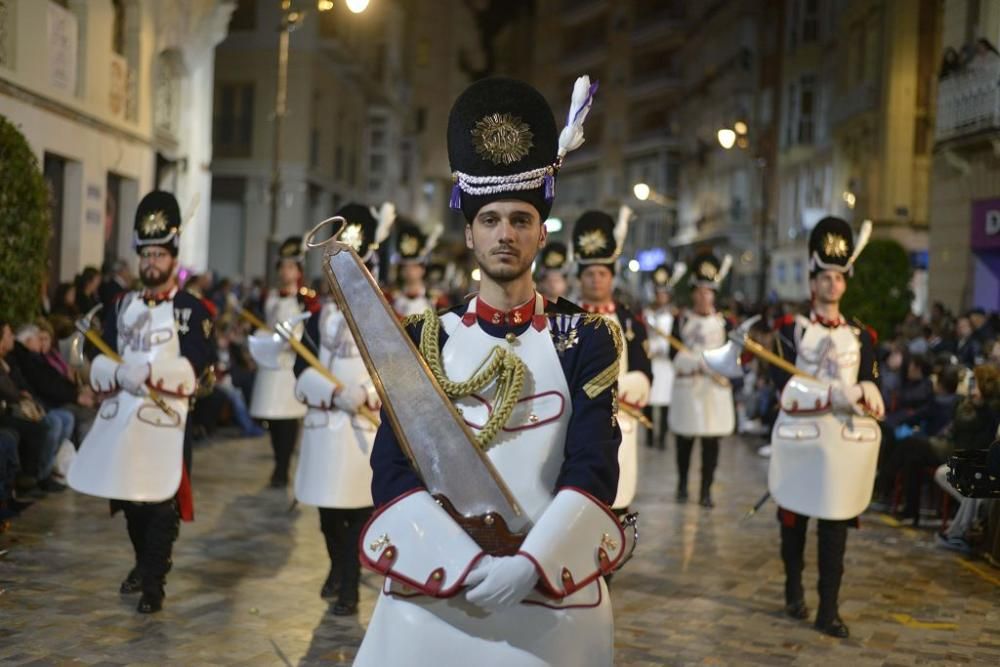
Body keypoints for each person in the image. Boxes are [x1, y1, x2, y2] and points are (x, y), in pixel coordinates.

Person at [354, 75, 627, 666]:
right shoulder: (423, 340)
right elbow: (392, 469)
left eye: (521, 219)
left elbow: (593, 464)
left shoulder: (587, 339)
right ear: (470, 231)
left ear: (542, 233)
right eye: (491, 219)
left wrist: (531, 564)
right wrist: (462, 563)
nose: (506, 233)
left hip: (549, 588)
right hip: (441, 582)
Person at [68, 190, 213, 614]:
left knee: (162, 504)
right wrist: (116, 372)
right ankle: (142, 562)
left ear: (173, 257)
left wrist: (150, 373)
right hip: (124, 420)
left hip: (169, 422)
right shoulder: (120, 305)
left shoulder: (193, 309)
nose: (151, 262)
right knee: (132, 502)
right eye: (145, 254)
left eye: (159, 254)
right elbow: (97, 359)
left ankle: (154, 582)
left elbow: (197, 365)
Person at [767, 217, 884, 638]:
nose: (832, 285)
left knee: (835, 526)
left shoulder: (862, 335)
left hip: (843, 446)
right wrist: (836, 393)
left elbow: (872, 379)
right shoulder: (789, 331)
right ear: (812, 280)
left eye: (838, 277)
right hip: (800, 441)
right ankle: (793, 589)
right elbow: (784, 388)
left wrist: (870, 390)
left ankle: (828, 608)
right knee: (793, 525)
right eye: (825, 277)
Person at [292, 203, 383, 615]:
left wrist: (365, 392)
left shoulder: (382, 318)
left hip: (362, 430)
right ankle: (337, 569)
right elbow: (300, 372)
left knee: (358, 512)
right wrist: (332, 394)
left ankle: (349, 585)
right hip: (324, 428)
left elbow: (394, 370)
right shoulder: (314, 321)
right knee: (329, 515)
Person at [573, 207, 652, 511]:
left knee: (615, 504)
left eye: (602, 274)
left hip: (619, 422)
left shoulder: (631, 321)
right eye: (589, 274)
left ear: (612, 276)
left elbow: (645, 374)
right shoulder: (562, 318)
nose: (595, 280)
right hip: (574, 428)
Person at [247, 237, 318, 488]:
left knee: (288, 418)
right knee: (273, 419)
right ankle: (278, 461)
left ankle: (283, 467)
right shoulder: (270, 297)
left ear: (298, 271)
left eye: (291, 267)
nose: (285, 272)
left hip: (290, 365)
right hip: (272, 362)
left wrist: (294, 340)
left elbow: (310, 332)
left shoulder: (306, 300)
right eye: (282, 267)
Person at [668, 251, 735, 508]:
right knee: (684, 440)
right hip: (688, 386)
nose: (703, 296)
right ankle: (682, 483)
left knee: (711, 443)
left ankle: (706, 489)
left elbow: (731, 356)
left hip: (714, 389)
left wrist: (716, 365)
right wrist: (696, 361)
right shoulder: (682, 320)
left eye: (708, 291)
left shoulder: (723, 323)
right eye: (699, 291)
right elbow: (676, 355)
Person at [643, 263, 684, 450]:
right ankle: (649, 435)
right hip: (650, 360)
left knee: (665, 402)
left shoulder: (674, 315)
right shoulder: (646, 313)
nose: (661, 297)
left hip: (666, 363)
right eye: (658, 293)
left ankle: (662, 438)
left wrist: (668, 351)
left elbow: (677, 338)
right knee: (649, 401)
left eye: (664, 294)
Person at [391, 216, 442, 318]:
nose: (409, 271)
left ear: (423, 269)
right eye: (405, 267)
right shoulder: (391, 298)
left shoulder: (437, 301)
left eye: (414, 266)